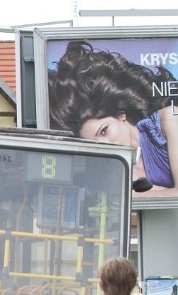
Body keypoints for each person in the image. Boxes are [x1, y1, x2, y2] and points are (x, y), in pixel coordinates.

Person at [48, 40, 178, 190]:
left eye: (104, 131)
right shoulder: (118, 173)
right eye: (95, 145)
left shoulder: (169, 120)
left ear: (120, 114)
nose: (107, 145)